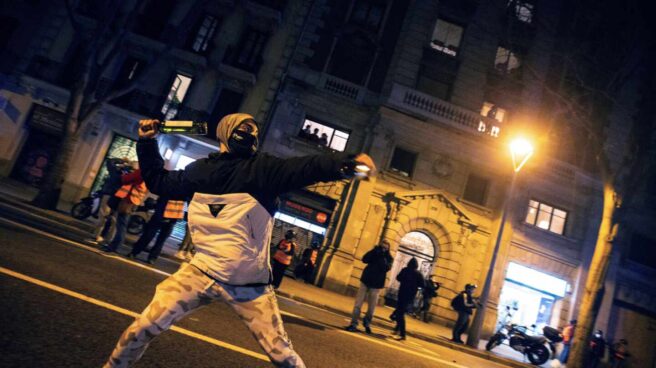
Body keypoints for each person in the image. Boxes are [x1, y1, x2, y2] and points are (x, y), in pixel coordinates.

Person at [103, 113, 376, 368]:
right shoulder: (200, 171)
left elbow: (305, 167)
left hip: (250, 286)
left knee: (284, 357)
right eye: (245, 129)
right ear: (226, 132)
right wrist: (147, 142)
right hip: (200, 273)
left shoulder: (263, 169)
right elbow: (159, 183)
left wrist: (346, 164)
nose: (252, 134)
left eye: (255, 131)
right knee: (141, 328)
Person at [345, 240, 393, 334]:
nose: (383, 249)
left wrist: (382, 256)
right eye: (381, 247)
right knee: (358, 305)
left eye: (385, 248)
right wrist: (374, 251)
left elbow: (385, 268)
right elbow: (364, 259)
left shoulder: (389, 258)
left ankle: (367, 323)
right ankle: (353, 324)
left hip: (376, 285)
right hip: (365, 281)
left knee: (371, 308)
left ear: (388, 249)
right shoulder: (374, 252)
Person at [101, 162, 148, 253]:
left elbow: (126, 179)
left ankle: (114, 247)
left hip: (128, 200)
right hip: (135, 201)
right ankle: (114, 245)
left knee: (121, 225)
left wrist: (123, 175)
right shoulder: (151, 174)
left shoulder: (142, 172)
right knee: (122, 224)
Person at [126, 197, 185, 264]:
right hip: (169, 216)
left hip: (165, 215)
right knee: (154, 237)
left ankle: (137, 253)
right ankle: (149, 257)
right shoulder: (184, 191)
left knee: (151, 236)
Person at [93, 157, 128, 243]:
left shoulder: (115, 173)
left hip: (109, 195)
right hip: (120, 198)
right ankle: (109, 240)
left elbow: (110, 161)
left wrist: (121, 161)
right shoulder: (128, 176)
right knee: (114, 220)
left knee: (103, 216)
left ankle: (97, 236)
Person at [390, 258, 424, 341]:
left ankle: (402, 334)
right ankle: (397, 330)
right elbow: (422, 285)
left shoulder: (405, 270)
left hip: (402, 293)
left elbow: (398, 278)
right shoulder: (418, 274)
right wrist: (416, 287)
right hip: (410, 296)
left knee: (400, 313)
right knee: (401, 313)